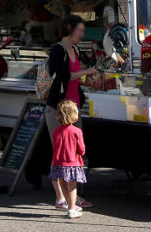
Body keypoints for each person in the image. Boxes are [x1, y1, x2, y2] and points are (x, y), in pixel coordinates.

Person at [46, 15, 96, 211]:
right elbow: (63, 76)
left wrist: (88, 78)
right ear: (69, 28)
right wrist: (86, 72)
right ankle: (61, 197)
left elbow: (74, 78)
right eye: (80, 31)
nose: (82, 35)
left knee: (73, 155)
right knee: (60, 155)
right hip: (59, 109)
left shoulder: (75, 49)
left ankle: (72, 197)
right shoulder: (58, 49)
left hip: (74, 108)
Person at [50, 100, 88, 219]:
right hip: (72, 163)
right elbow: (81, 149)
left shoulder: (56, 131)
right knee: (72, 186)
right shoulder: (77, 131)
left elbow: (55, 147)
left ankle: (69, 204)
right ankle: (72, 209)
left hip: (58, 163)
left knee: (62, 183)